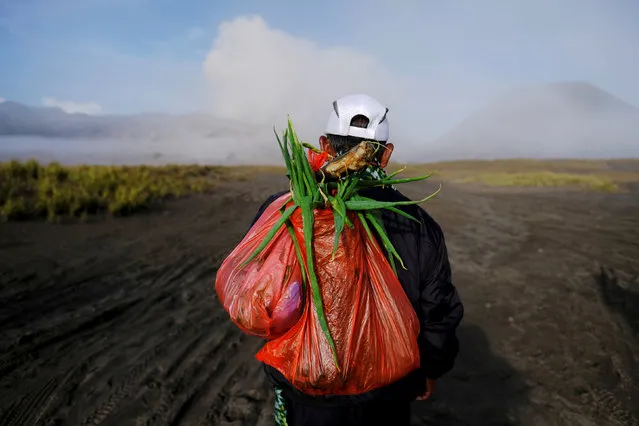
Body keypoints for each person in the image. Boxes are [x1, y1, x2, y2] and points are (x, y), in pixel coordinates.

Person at [249, 94, 464, 426]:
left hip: (306, 387)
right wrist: (431, 369)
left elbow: (258, 292)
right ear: (387, 153)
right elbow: (437, 311)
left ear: (323, 144)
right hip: (387, 391)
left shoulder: (282, 211)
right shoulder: (418, 224)